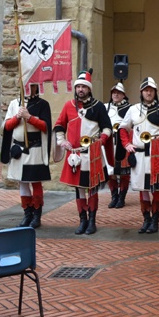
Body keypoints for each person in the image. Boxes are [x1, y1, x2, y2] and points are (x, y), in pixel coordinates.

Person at [53, 69, 112, 235]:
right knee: (79, 189)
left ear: (89, 89)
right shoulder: (68, 106)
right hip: (75, 155)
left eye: (83, 87)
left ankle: (92, 221)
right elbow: (59, 125)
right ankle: (82, 220)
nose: (80, 90)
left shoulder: (98, 107)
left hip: (92, 154)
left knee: (92, 188)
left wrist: (102, 140)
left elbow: (107, 127)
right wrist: (61, 140)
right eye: (78, 87)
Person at [120, 77, 159, 234]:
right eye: (146, 90)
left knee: (156, 189)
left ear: (155, 92)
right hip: (138, 155)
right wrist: (127, 144)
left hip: (156, 156)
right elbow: (123, 128)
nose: (148, 92)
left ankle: (155, 220)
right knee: (142, 189)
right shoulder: (133, 109)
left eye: (151, 90)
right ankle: (146, 219)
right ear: (141, 92)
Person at [1, 84, 52, 228]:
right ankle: (27, 213)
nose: (28, 88)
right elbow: (6, 127)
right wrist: (17, 117)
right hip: (18, 149)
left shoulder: (42, 104)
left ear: (36, 87)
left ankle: (37, 215)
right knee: (22, 182)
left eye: (31, 85)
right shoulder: (13, 104)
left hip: (35, 149)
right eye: (25, 85)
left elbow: (45, 126)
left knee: (35, 181)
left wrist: (29, 117)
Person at [106, 82, 131, 209]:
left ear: (123, 95)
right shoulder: (106, 107)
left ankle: (122, 197)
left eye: (118, 92)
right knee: (111, 172)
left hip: (122, 144)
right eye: (114, 92)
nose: (116, 94)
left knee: (124, 172)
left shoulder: (130, 109)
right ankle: (114, 196)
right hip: (109, 144)